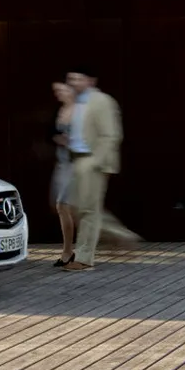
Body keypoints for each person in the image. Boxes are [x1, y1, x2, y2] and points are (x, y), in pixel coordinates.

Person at [61, 66, 123, 272]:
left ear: (90, 81)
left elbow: (110, 135)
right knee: (77, 208)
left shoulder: (101, 101)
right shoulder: (75, 102)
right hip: (77, 160)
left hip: (92, 161)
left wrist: (96, 162)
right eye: (71, 79)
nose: (74, 83)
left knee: (88, 211)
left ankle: (84, 258)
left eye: (78, 79)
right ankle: (120, 235)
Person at [50, 82, 78, 266]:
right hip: (62, 163)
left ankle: (68, 251)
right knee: (63, 208)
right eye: (56, 91)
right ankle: (69, 249)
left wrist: (69, 141)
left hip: (75, 165)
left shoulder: (79, 111)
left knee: (63, 205)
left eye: (62, 90)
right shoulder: (61, 110)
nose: (58, 93)